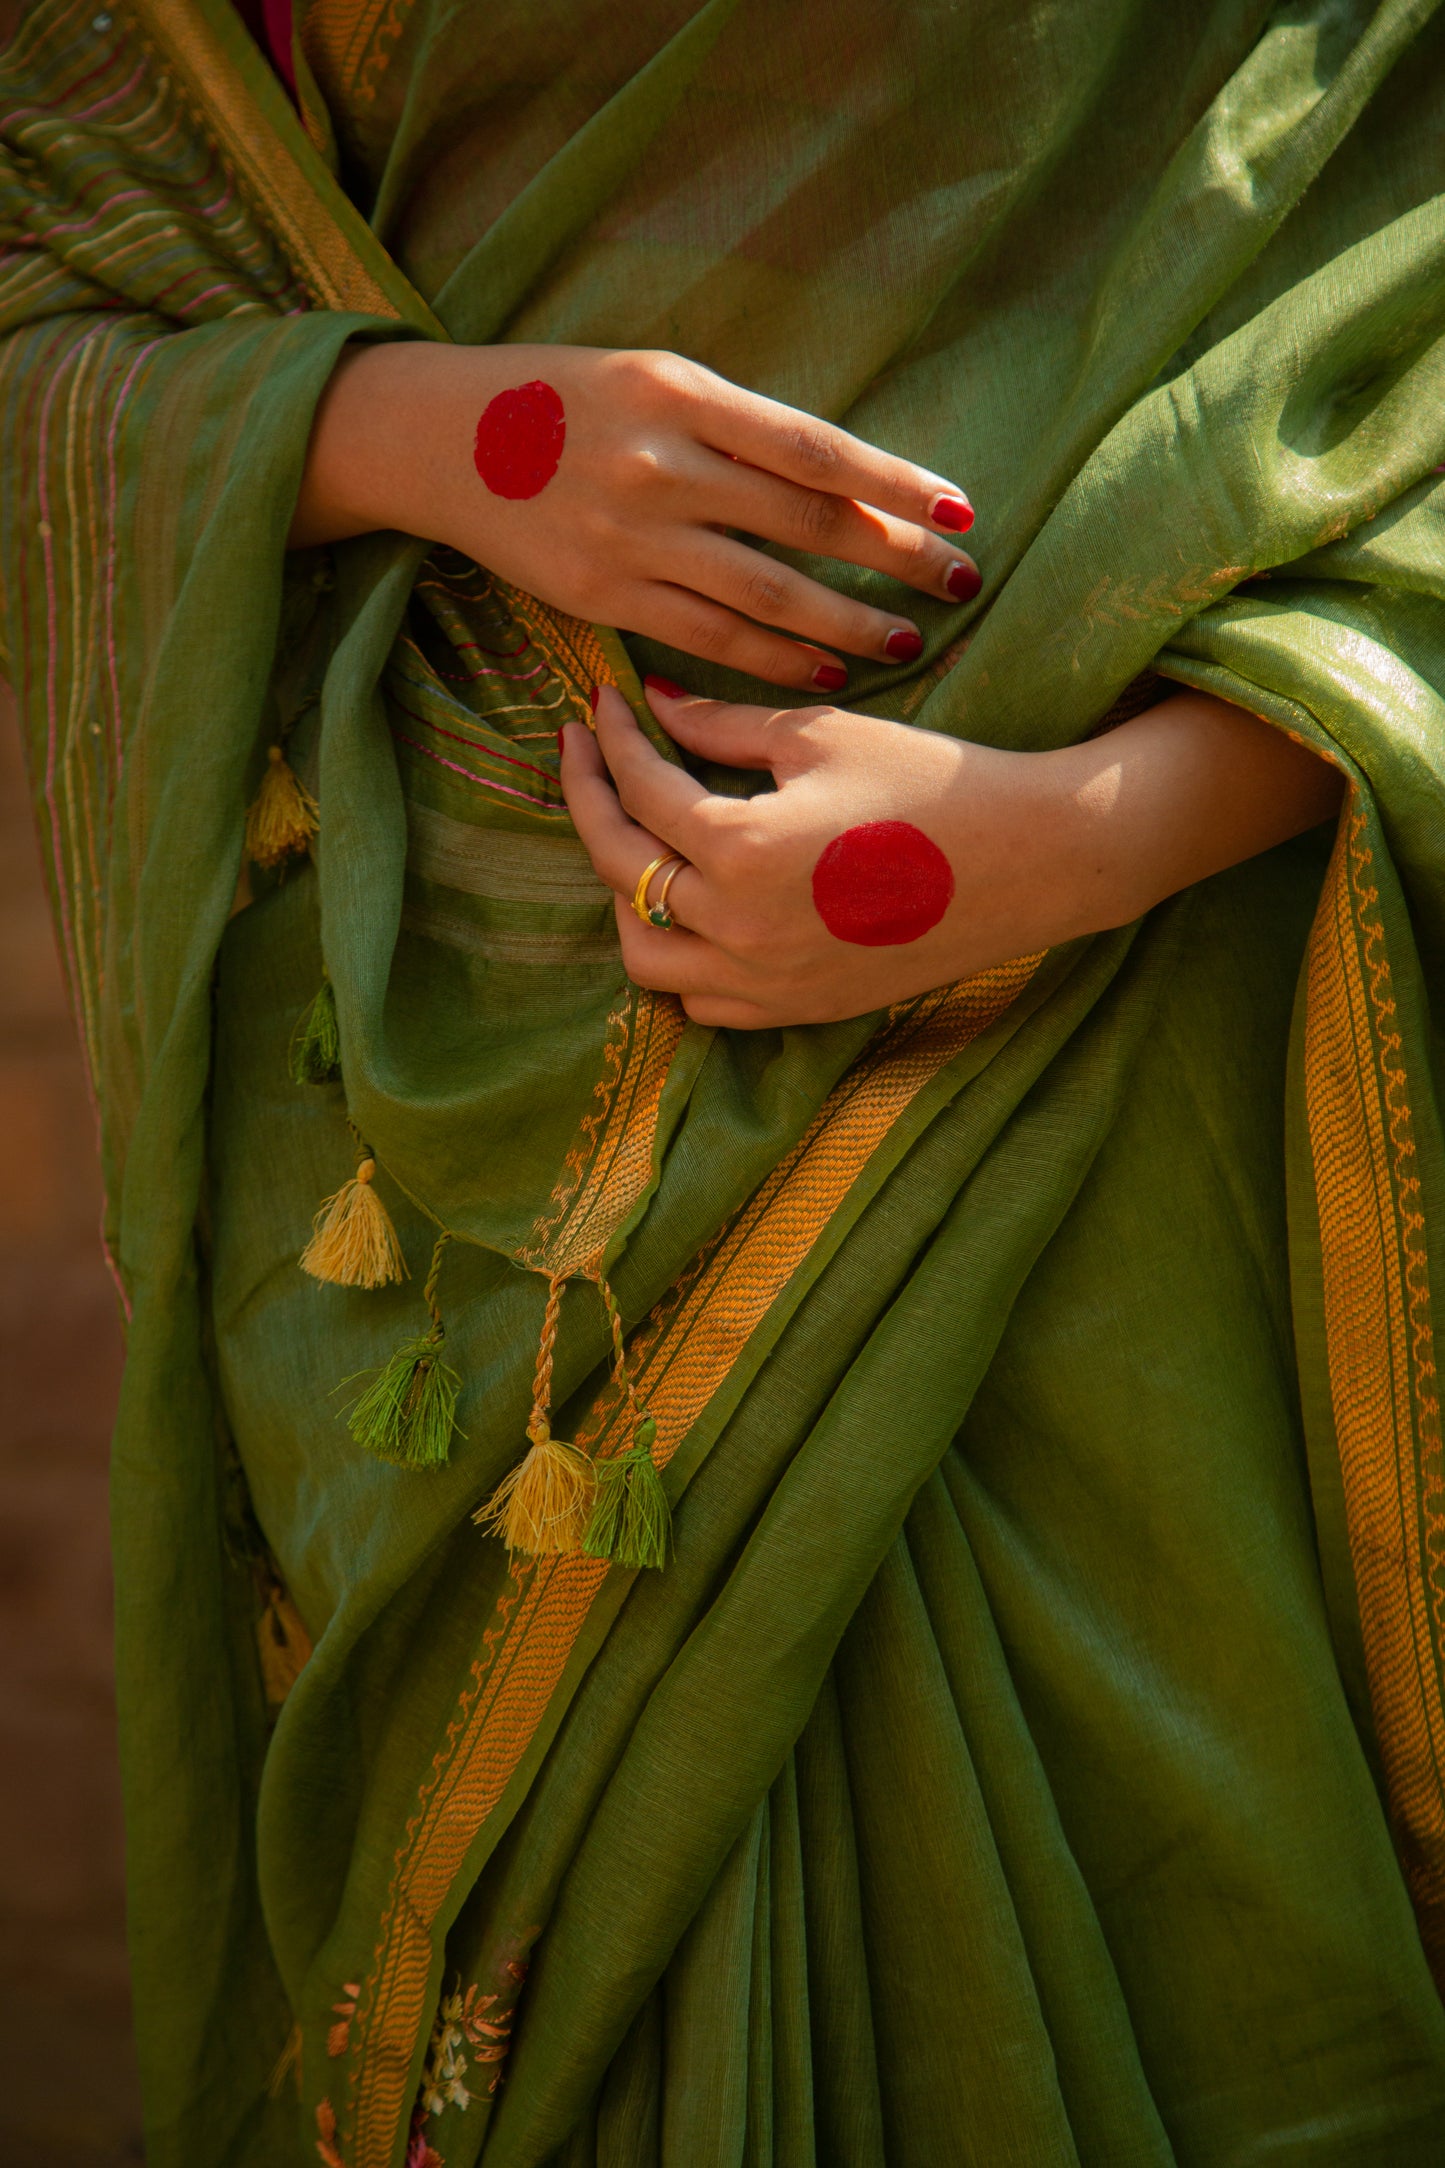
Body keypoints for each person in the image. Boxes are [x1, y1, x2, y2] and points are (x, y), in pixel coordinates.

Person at [3, 1, 1444, 2161]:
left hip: (1112, 1103)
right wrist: (450, 437)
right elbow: (56, 294)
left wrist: (1080, 832)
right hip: (445, 1177)